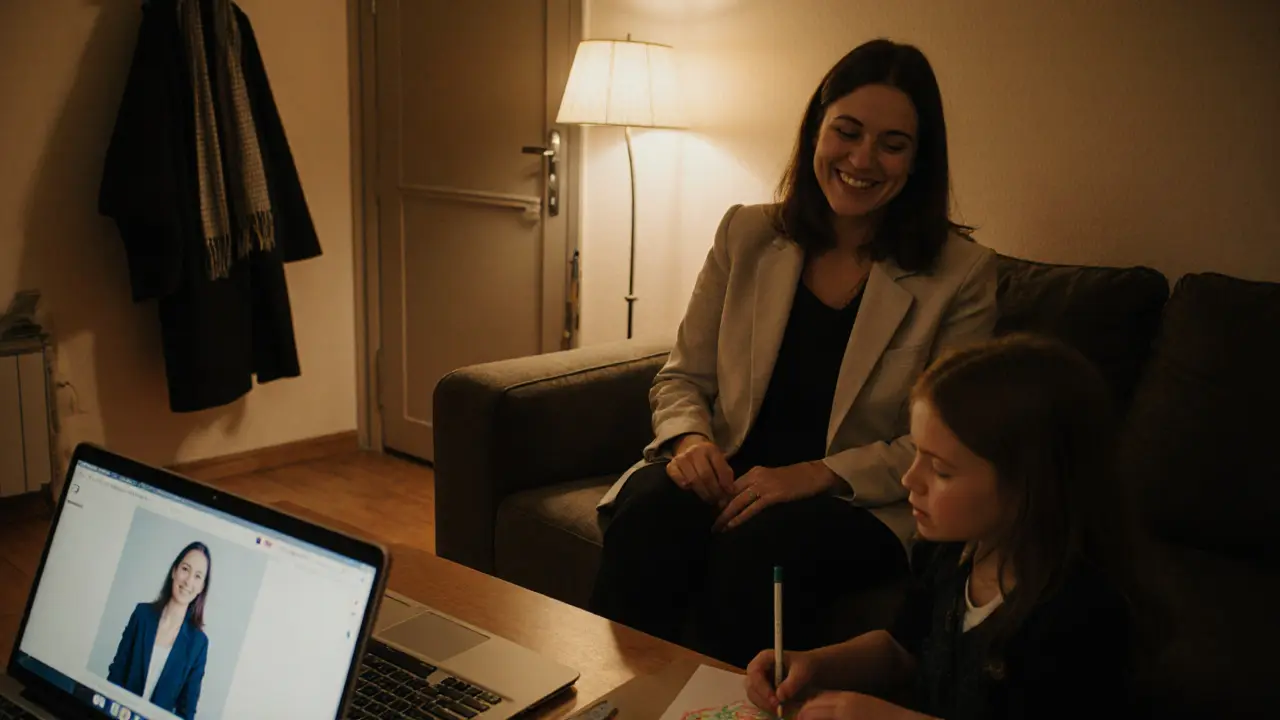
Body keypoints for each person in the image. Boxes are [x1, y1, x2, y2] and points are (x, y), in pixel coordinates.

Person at [589, 38, 999, 668]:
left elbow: (943, 447)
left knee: (761, 549)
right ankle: (616, 699)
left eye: (893, 144)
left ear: (918, 161)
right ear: (816, 132)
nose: (863, 159)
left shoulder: (961, 275)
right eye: (848, 132)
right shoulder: (747, 232)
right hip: (733, 469)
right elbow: (682, 377)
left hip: (855, 500)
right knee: (647, 516)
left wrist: (814, 474)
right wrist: (691, 442)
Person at [744, 335, 1137, 719]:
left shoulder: (1081, 612)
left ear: (1030, 484)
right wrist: (815, 664)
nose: (910, 480)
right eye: (916, 455)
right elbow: (902, 650)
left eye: (942, 470)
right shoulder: (951, 551)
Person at [109, 542, 211, 720]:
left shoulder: (199, 644)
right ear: (174, 571)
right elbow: (116, 675)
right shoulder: (142, 615)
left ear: (202, 587)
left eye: (198, 576)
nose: (188, 581)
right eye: (185, 569)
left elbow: (186, 711)